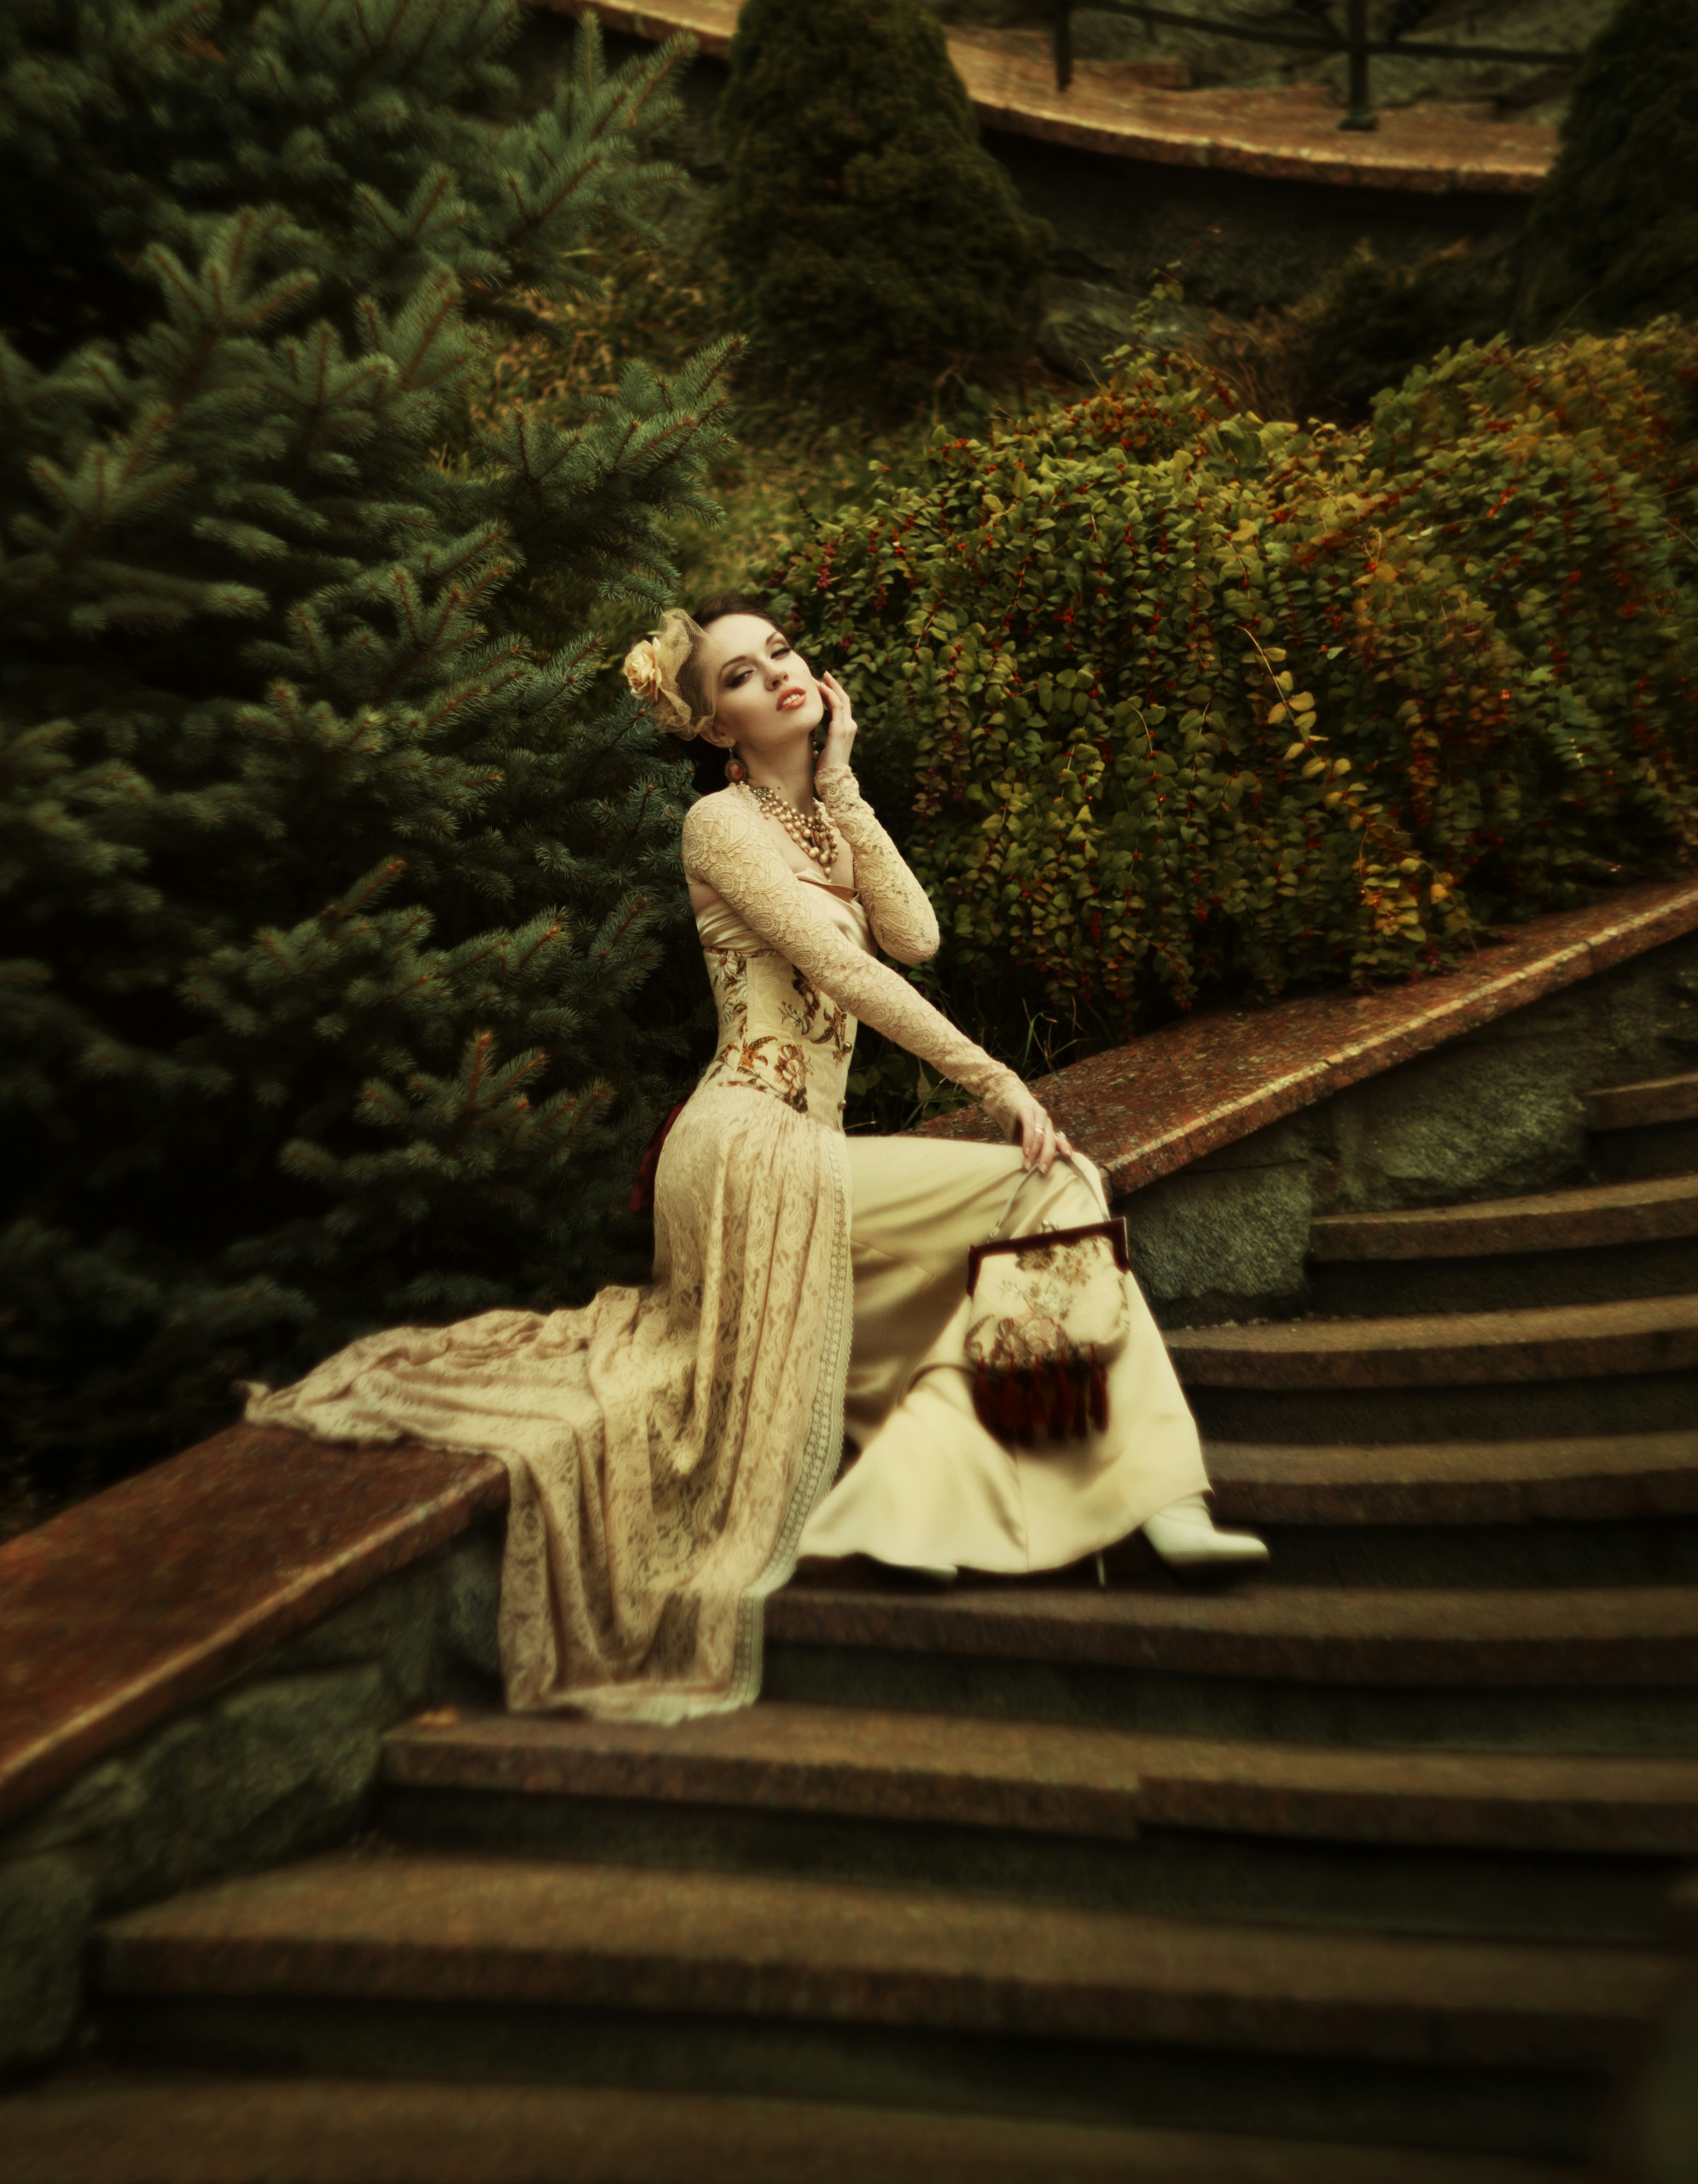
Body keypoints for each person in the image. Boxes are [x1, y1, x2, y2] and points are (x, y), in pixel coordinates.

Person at [246, 595, 1264, 1722]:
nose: (776, 672)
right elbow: (858, 973)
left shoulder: (819, 819)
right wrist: (1000, 1082)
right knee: (1050, 1181)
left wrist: (843, 777)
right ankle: (1152, 1493)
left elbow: (918, 936)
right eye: (738, 673)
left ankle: (929, 1503)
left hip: (806, 1152)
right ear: (716, 726)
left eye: (781, 651)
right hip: (742, 1146)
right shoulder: (718, 828)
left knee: (968, 1310)